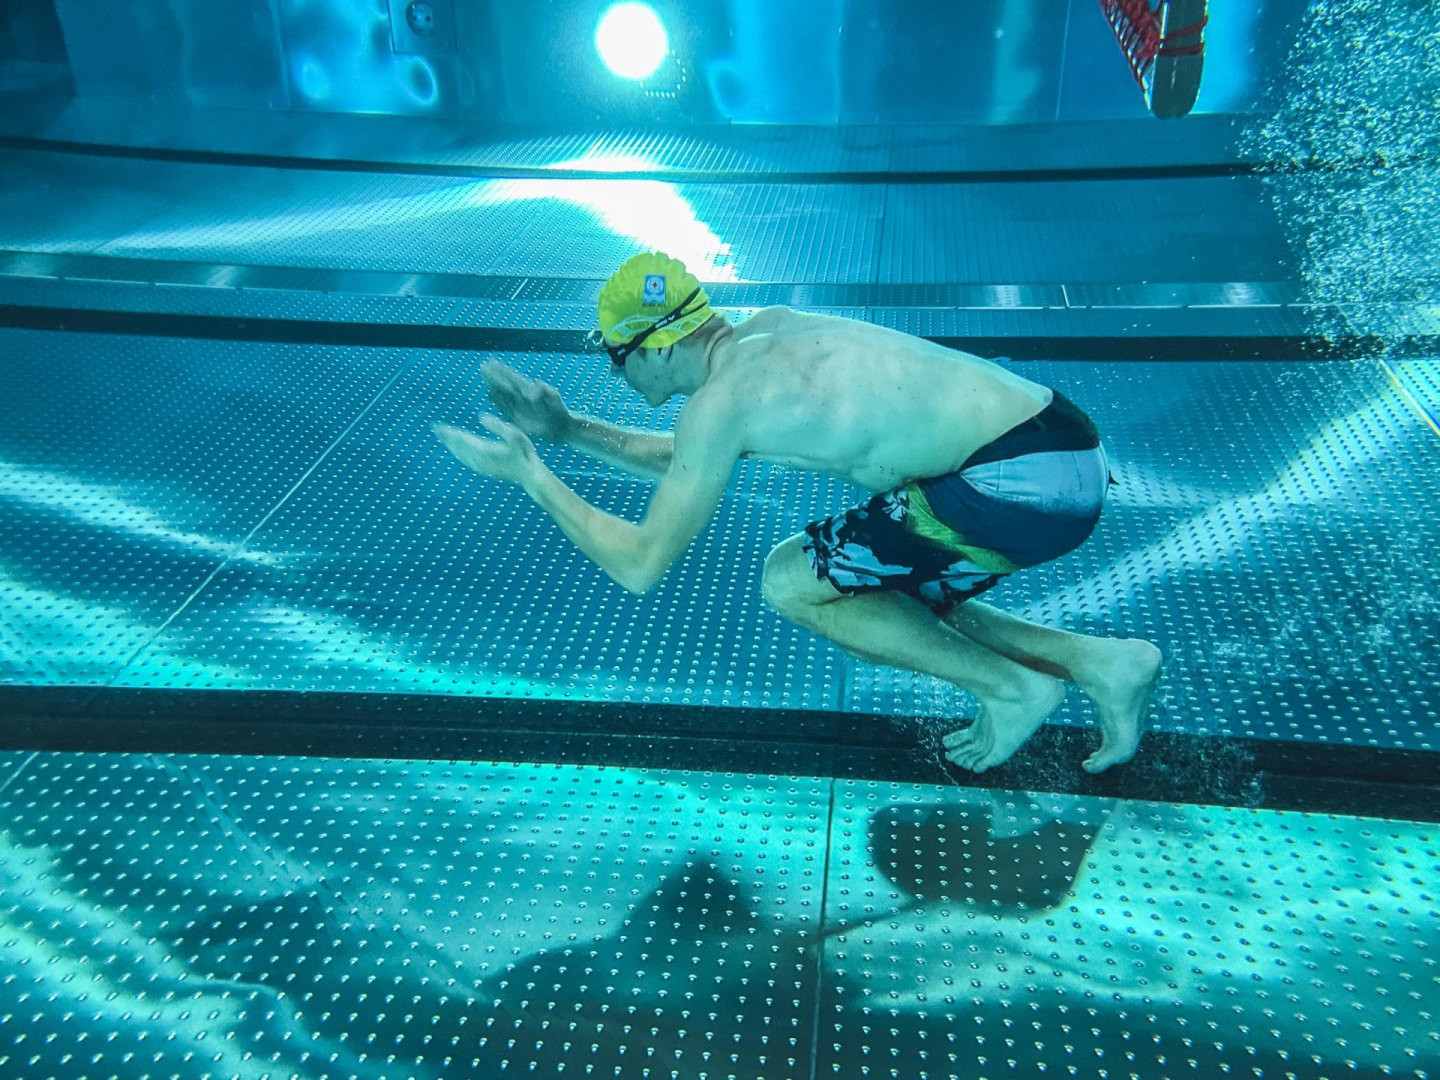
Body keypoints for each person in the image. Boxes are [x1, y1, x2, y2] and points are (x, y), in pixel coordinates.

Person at [435, 252, 1162, 773]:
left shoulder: (722, 404)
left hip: (1013, 487)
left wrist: (531, 475)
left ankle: (1014, 688)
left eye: (614, 359)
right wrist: (568, 432)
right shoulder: (764, 333)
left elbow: (638, 564)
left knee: (790, 581)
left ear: (654, 347)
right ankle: (1102, 664)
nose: (614, 375)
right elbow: (691, 458)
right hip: (1064, 450)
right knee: (869, 596)